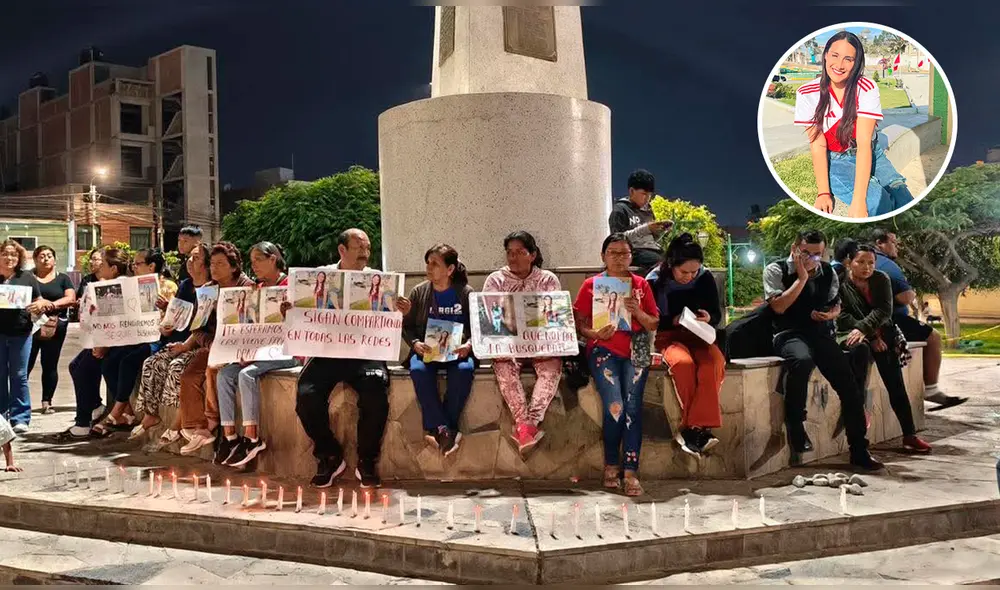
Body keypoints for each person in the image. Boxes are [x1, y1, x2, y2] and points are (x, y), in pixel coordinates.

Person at [295, 229, 411, 488]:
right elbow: (302, 313)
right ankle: (329, 455)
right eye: (359, 247)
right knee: (306, 395)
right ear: (342, 250)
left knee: (376, 396)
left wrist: (403, 312)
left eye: (368, 248)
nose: (365, 253)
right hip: (327, 352)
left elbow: (392, 322)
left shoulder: (379, 281)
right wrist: (289, 310)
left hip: (365, 353)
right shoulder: (320, 276)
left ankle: (366, 460)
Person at [764, 230, 882, 470]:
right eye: (806, 253)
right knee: (802, 361)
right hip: (788, 333)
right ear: (795, 248)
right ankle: (796, 424)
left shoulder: (828, 272)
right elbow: (778, 307)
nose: (813, 259)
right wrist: (801, 278)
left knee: (849, 386)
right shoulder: (776, 270)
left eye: (818, 254)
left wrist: (830, 314)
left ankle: (859, 449)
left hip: (819, 333)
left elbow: (835, 303)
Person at [574, 234, 659, 496]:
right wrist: (594, 335)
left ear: (632, 256)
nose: (619, 258)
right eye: (613, 253)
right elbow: (579, 323)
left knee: (633, 408)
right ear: (603, 256)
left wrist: (637, 312)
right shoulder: (591, 285)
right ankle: (611, 463)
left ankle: (630, 470)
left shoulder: (641, 285)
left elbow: (653, 323)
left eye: (624, 253)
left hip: (636, 351)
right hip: (605, 351)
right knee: (616, 407)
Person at [794, 31, 911, 218]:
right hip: (837, 160)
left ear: (856, 63)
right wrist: (824, 192)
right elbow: (818, 144)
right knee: (879, 202)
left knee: (903, 197)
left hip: (871, 153)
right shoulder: (807, 93)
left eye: (848, 59)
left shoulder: (866, 88)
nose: (839, 65)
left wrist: (858, 201)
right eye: (835, 55)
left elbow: (865, 145)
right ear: (825, 55)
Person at [837, 243, 932, 453]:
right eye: (860, 262)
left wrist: (870, 332)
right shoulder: (841, 283)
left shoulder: (881, 279)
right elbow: (842, 316)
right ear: (849, 262)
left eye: (871, 262)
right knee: (857, 377)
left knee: (896, 385)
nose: (866, 267)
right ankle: (859, 440)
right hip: (853, 335)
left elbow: (884, 311)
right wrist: (870, 336)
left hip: (883, 334)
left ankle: (910, 435)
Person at [215, 242, 300, 468]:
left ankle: (252, 438)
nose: (254, 267)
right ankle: (230, 437)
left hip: (288, 351)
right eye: (251, 262)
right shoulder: (256, 289)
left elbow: (303, 324)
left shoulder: (290, 286)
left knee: (247, 375)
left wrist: (290, 312)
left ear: (273, 259)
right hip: (260, 351)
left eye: (258, 260)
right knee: (224, 375)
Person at [646, 233, 727, 456]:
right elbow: (650, 318)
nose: (689, 277)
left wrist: (708, 317)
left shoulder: (704, 277)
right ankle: (698, 430)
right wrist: (671, 319)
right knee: (683, 364)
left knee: (713, 363)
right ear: (671, 264)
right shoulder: (654, 281)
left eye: (694, 272)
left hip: (699, 335)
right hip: (669, 336)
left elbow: (716, 313)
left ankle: (692, 429)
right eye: (684, 272)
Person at [484, 231, 564, 453]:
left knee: (551, 366)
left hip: (540, 344)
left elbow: (553, 318)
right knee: (503, 365)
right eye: (510, 253)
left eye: (520, 252)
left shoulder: (547, 280)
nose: (513, 257)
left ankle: (531, 424)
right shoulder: (495, 280)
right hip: (509, 346)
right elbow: (491, 320)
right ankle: (523, 424)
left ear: (533, 254)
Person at [870, 229, 966, 410]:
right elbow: (905, 298)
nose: (897, 246)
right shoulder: (886, 264)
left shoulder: (864, 259)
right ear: (879, 243)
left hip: (873, 319)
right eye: (893, 241)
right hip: (890, 319)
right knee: (933, 337)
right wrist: (911, 292)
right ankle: (931, 389)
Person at [173, 242, 254, 455]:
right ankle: (194, 428)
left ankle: (211, 424)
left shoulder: (247, 287)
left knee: (213, 370)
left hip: (240, 347)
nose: (215, 268)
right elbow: (197, 328)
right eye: (212, 263)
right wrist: (211, 343)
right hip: (213, 345)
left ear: (234, 267)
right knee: (189, 375)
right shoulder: (208, 289)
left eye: (220, 264)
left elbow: (254, 325)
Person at [90, 249, 177, 437]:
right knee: (109, 361)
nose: (133, 268)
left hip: (157, 337)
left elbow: (175, 316)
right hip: (135, 335)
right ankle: (127, 411)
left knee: (129, 361)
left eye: (137, 264)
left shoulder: (168, 286)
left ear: (151, 266)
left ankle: (116, 411)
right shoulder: (132, 284)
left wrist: (165, 307)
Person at [132, 243, 210, 442]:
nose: (190, 262)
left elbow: (201, 325)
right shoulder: (185, 285)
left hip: (199, 343)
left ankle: (179, 421)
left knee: (177, 368)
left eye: (196, 258)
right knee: (152, 363)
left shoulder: (212, 289)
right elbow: (178, 316)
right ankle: (151, 414)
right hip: (179, 340)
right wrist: (167, 321)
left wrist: (184, 346)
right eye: (189, 258)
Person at [402, 244, 475, 456]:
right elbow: (406, 326)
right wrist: (415, 343)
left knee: (463, 371)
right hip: (427, 352)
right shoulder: (419, 292)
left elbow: (478, 327)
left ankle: (442, 429)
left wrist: (468, 345)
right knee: (419, 371)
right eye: (428, 263)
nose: (429, 267)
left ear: (450, 269)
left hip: (457, 352)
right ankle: (446, 430)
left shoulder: (465, 293)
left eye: (435, 263)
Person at [64, 247, 132, 438]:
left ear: (114, 269)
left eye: (102, 263)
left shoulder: (118, 286)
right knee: (76, 366)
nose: (98, 266)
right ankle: (94, 408)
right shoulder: (105, 283)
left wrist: (104, 344)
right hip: (105, 340)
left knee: (82, 368)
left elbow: (115, 319)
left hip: (116, 343)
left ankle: (83, 421)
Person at [0, 240, 43, 433]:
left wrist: (38, 305)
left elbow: (39, 300)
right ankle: (1, 417)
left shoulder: (27, 278)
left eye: (14, 255)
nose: (9, 258)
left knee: (19, 375)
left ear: (19, 258)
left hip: (21, 333)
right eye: (5, 254)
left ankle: (21, 418)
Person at [27, 246, 76, 414]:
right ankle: (17, 402)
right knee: (25, 365)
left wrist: (51, 305)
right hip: (29, 326)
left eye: (49, 256)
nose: (45, 259)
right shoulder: (27, 277)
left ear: (55, 259)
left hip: (55, 327)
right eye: (41, 256)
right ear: (35, 259)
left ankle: (46, 401)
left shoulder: (63, 278)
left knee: (50, 364)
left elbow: (71, 298)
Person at [608, 169, 674, 275]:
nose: (647, 198)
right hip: (633, 252)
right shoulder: (620, 210)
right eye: (644, 194)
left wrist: (660, 231)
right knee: (662, 264)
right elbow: (618, 240)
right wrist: (646, 228)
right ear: (631, 191)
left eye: (650, 195)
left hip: (652, 250)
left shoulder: (648, 210)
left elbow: (651, 239)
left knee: (678, 260)